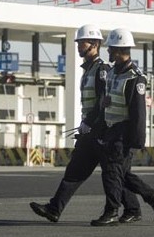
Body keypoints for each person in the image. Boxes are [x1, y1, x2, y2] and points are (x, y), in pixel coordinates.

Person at [29, 24, 143, 223]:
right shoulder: (89, 69)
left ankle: (138, 204)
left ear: (96, 45)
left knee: (113, 173)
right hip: (93, 130)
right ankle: (55, 209)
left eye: (84, 42)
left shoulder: (102, 70)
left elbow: (102, 102)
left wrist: (90, 126)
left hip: (100, 131)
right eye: (79, 42)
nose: (80, 46)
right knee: (87, 170)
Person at [90, 28, 154, 227]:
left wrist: (136, 141)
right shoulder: (112, 73)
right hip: (110, 131)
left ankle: (111, 212)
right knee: (121, 174)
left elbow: (138, 114)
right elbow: (109, 102)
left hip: (123, 133)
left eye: (111, 49)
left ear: (118, 50)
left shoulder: (135, 78)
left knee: (111, 173)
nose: (107, 52)